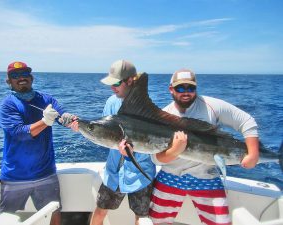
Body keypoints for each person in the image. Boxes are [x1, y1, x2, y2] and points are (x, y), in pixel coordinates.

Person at [149, 69, 260, 225]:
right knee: (155, 222)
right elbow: (155, 158)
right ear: (171, 89)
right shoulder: (164, 115)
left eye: (191, 88)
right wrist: (175, 151)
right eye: (181, 88)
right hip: (170, 176)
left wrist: (253, 154)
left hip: (206, 175)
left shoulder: (211, 106)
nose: (186, 92)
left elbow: (246, 121)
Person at [0, 61, 76, 225]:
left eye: (25, 74)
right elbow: (19, 133)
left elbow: (62, 116)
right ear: (9, 81)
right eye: (15, 76)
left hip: (45, 173)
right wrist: (45, 121)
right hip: (14, 177)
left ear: (31, 77)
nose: (21, 78)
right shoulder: (8, 104)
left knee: (54, 214)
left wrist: (70, 118)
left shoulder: (46, 99)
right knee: (6, 218)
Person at [89, 60, 156, 225]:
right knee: (100, 211)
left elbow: (149, 140)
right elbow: (103, 131)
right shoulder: (111, 102)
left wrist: (131, 152)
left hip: (141, 174)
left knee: (140, 217)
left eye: (116, 83)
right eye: (111, 83)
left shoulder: (145, 107)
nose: (112, 87)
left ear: (130, 80)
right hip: (114, 173)